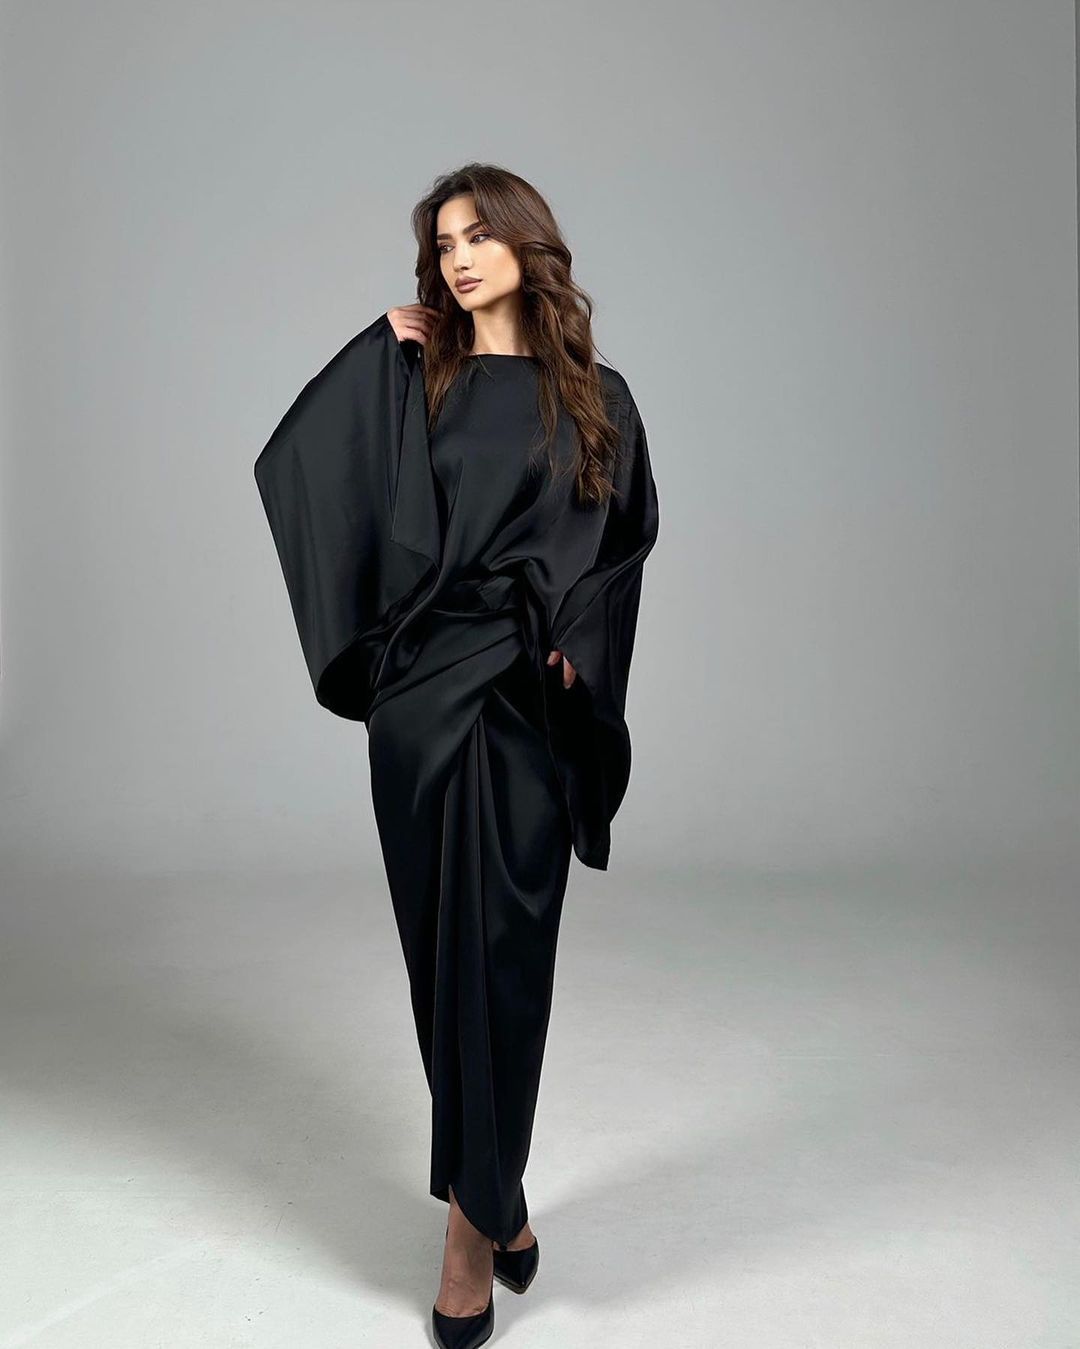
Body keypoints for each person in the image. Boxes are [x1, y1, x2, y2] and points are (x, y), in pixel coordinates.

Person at [254, 162, 660, 1349]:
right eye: (443, 243)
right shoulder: (417, 381)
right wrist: (369, 347)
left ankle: (469, 1235)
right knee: (444, 966)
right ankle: (497, 1193)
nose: (461, 258)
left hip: (525, 702)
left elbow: (624, 543)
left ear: (528, 242)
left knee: (504, 959)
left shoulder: (600, 397)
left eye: (480, 234)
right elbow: (302, 469)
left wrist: (580, 645)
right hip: (423, 702)